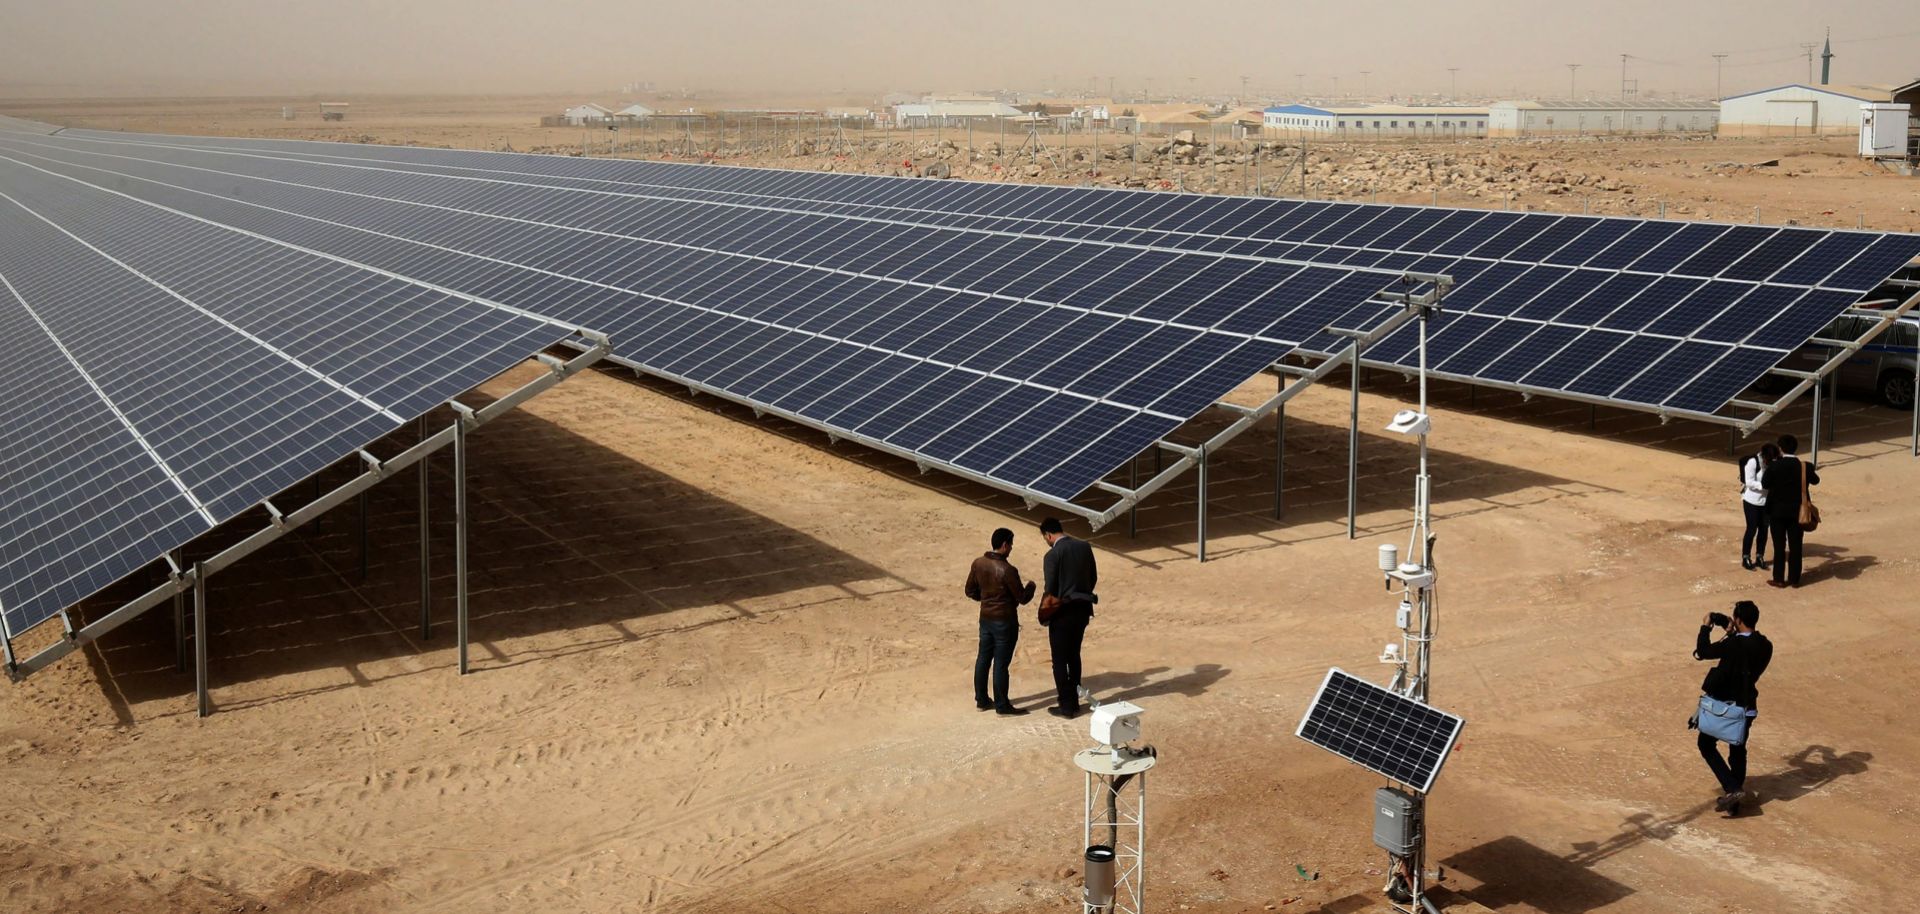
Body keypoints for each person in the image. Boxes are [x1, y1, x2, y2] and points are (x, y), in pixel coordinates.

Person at [1693, 601, 1772, 814]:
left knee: (1706, 744)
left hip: (1726, 706)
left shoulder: (1733, 645)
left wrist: (1706, 627)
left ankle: (1733, 788)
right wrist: (1731, 635)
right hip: (1747, 706)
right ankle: (1734, 803)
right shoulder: (1766, 645)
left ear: (1737, 620)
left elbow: (1703, 651)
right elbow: (1742, 659)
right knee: (1737, 749)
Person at [965, 528, 1035, 716]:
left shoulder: (978, 563)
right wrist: (1031, 587)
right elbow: (1022, 598)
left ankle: (981, 700)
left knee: (983, 659)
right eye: (1010, 544)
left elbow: (970, 591)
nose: (1011, 548)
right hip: (1005, 622)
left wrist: (987, 600)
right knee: (1001, 664)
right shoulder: (1007, 570)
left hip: (985, 619)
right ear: (1004, 545)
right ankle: (1002, 705)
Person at [1039, 517, 1099, 720]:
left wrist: (1046, 611)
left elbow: (1050, 589)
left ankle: (1067, 705)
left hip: (1062, 612)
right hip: (1082, 609)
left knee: (1059, 660)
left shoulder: (1052, 555)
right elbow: (1093, 578)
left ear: (1048, 535)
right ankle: (1073, 699)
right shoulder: (1084, 547)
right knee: (1074, 655)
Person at [1759, 434, 1819, 588]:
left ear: (1780, 449)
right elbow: (1816, 480)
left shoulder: (1775, 466)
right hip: (1798, 512)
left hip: (1777, 512)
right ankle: (1794, 579)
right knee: (1796, 546)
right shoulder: (1804, 466)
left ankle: (1779, 578)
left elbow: (1765, 484)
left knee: (1779, 546)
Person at [1739, 443, 1780, 571]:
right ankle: (1746, 557)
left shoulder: (1774, 462)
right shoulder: (1753, 462)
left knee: (1763, 529)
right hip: (1751, 501)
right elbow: (1749, 482)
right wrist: (1764, 486)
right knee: (1751, 529)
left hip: (1766, 502)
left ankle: (1759, 556)